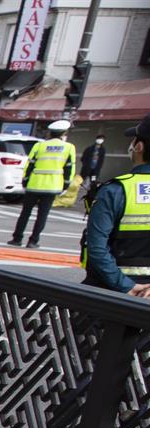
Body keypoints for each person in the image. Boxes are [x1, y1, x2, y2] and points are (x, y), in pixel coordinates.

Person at [81, 113, 150, 297]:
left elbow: (97, 249)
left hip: (109, 294)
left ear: (139, 146)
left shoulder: (115, 190)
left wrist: (126, 286)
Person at [12, 118, 75, 249]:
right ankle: (33, 241)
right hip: (52, 186)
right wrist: (66, 185)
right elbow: (70, 168)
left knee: (25, 213)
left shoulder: (39, 145)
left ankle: (17, 238)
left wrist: (25, 181)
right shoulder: (69, 148)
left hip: (34, 184)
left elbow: (29, 165)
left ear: (50, 133)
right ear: (64, 133)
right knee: (42, 215)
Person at [80, 134, 106, 211]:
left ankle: (90, 197)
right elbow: (83, 157)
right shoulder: (90, 148)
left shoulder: (102, 150)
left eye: (102, 139)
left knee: (93, 182)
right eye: (100, 138)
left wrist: (99, 167)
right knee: (82, 180)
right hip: (87, 168)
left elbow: (101, 160)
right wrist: (86, 164)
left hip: (95, 170)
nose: (101, 140)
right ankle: (78, 194)